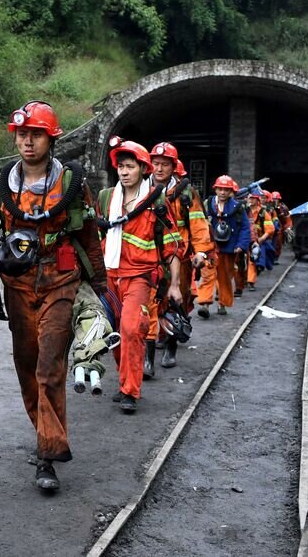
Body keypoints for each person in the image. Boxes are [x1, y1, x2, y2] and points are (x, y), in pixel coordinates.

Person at [0, 101, 106, 491]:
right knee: (26, 365)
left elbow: (90, 240)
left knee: (48, 364)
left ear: (51, 139)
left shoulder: (72, 185)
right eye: (22, 134)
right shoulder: (0, 185)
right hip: (18, 284)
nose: (27, 141)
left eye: (35, 134)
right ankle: (44, 431)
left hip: (61, 280)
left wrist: (104, 290)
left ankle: (48, 454)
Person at [95, 138, 182, 413]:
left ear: (142, 169)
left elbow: (172, 248)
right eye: (120, 166)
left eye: (130, 166)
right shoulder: (107, 198)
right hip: (109, 277)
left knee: (132, 329)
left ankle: (130, 391)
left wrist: (176, 285)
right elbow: (96, 238)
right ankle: (125, 382)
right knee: (114, 333)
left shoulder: (157, 202)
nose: (123, 171)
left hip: (141, 277)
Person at [145, 142, 213, 371]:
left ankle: (171, 347)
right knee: (150, 304)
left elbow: (198, 224)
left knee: (175, 301)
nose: (159, 168)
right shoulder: (143, 188)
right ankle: (149, 355)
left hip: (178, 257)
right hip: (149, 255)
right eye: (155, 163)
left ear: (173, 167)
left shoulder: (186, 193)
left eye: (165, 164)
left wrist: (201, 251)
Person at [196, 175, 251, 316]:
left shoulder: (238, 208)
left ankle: (223, 303)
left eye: (226, 190)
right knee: (208, 274)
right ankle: (205, 304)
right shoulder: (208, 204)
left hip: (229, 248)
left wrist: (241, 245)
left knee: (225, 277)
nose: (223, 192)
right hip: (210, 247)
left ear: (231, 191)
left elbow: (245, 227)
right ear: (215, 189)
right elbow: (199, 224)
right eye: (220, 189)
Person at [246, 190, 275, 289]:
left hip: (258, 240)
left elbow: (270, 229)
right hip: (244, 239)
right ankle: (242, 282)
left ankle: (251, 281)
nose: (251, 200)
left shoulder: (263, 213)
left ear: (257, 200)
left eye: (253, 198)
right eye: (250, 198)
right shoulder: (244, 211)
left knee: (252, 260)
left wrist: (260, 240)